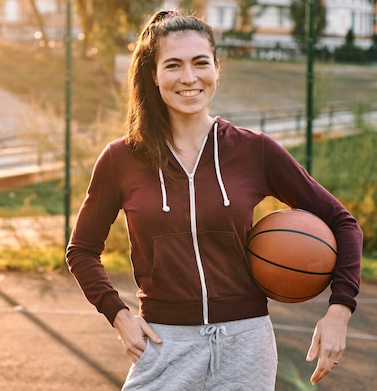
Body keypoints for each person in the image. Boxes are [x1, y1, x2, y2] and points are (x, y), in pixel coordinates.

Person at [65, 9, 362, 390]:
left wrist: (339, 310)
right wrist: (118, 314)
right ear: (153, 75)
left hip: (246, 346)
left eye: (200, 62)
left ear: (216, 68)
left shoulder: (254, 151)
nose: (189, 77)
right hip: (164, 344)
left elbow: (343, 223)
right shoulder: (121, 159)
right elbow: (82, 250)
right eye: (173, 65)